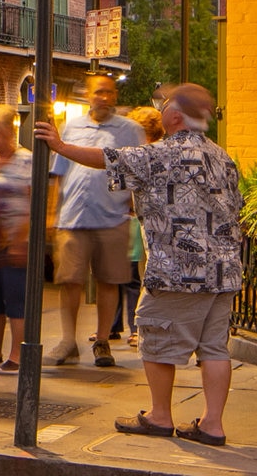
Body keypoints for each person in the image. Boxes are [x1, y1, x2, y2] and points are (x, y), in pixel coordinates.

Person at [37, 82, 244, 447]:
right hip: (223, 271)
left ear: (176, 115)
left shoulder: (159, 154)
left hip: (177, 270)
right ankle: (213, 424)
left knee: (156, 339)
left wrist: (60, 146)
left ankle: (159, 415)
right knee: (214, 347)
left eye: (163, 105)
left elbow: (108, 159)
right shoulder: (222, 157)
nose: (159, 109)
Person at [47, 73, 143, 368]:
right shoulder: (71, 126)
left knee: (108, 280)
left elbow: (138, 174)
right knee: (70, 280)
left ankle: (102, 341)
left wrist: (131, 207)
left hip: (112, 217)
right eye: (98, 92)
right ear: (88, 95)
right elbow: (58, 172)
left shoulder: (130, 130)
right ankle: (67, 341)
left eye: (109, 93)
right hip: (73, 216)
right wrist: (53, 212)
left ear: (115, 96)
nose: (104, 97)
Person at [0, 104, 35, 373]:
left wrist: (23, 238)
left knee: (15, 299)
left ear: (10, 130)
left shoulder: (27, 160)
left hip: (16, 239)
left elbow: (35, 202)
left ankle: (17, 354)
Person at [108, 105, 166, 345]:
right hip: (139, 223)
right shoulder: (149, 152)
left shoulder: (146, 154)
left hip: (144, 225)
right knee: (132, 276)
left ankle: (139, 327)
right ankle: (130, 326)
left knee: (139, 276)